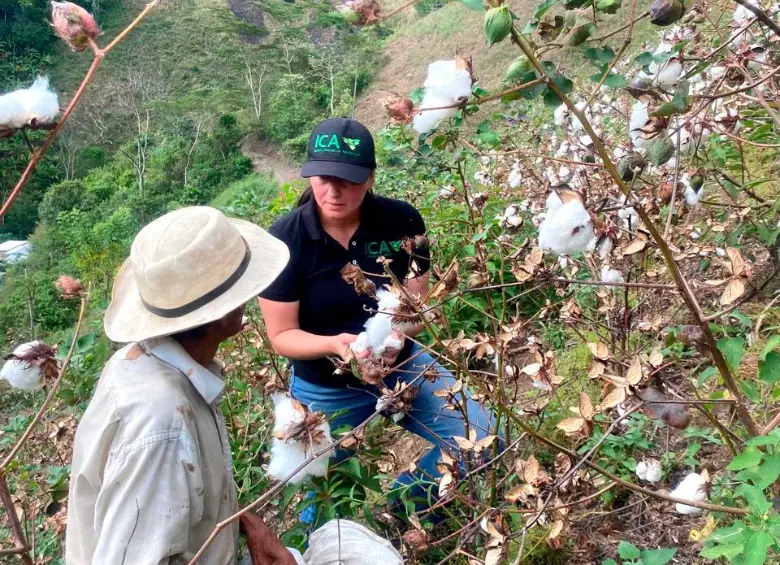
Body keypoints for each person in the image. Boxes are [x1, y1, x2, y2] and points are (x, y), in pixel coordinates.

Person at [258, 118, 495, 521]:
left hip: (402, 367)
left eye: (347, 180)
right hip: (324, 385)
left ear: (369, 177)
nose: (333, 191)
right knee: (324, 506)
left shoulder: (401, 221)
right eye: (323, 177)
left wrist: (399, 338)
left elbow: (416, 306)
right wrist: (336, 345)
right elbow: (282, 335)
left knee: (483, 439)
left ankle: (398, 517)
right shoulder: (284, 241)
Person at [65, 206, 298, 565]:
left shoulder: (146, 362)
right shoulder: (161, 424)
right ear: (224, 312)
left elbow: (177, 501)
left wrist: (245, 523)